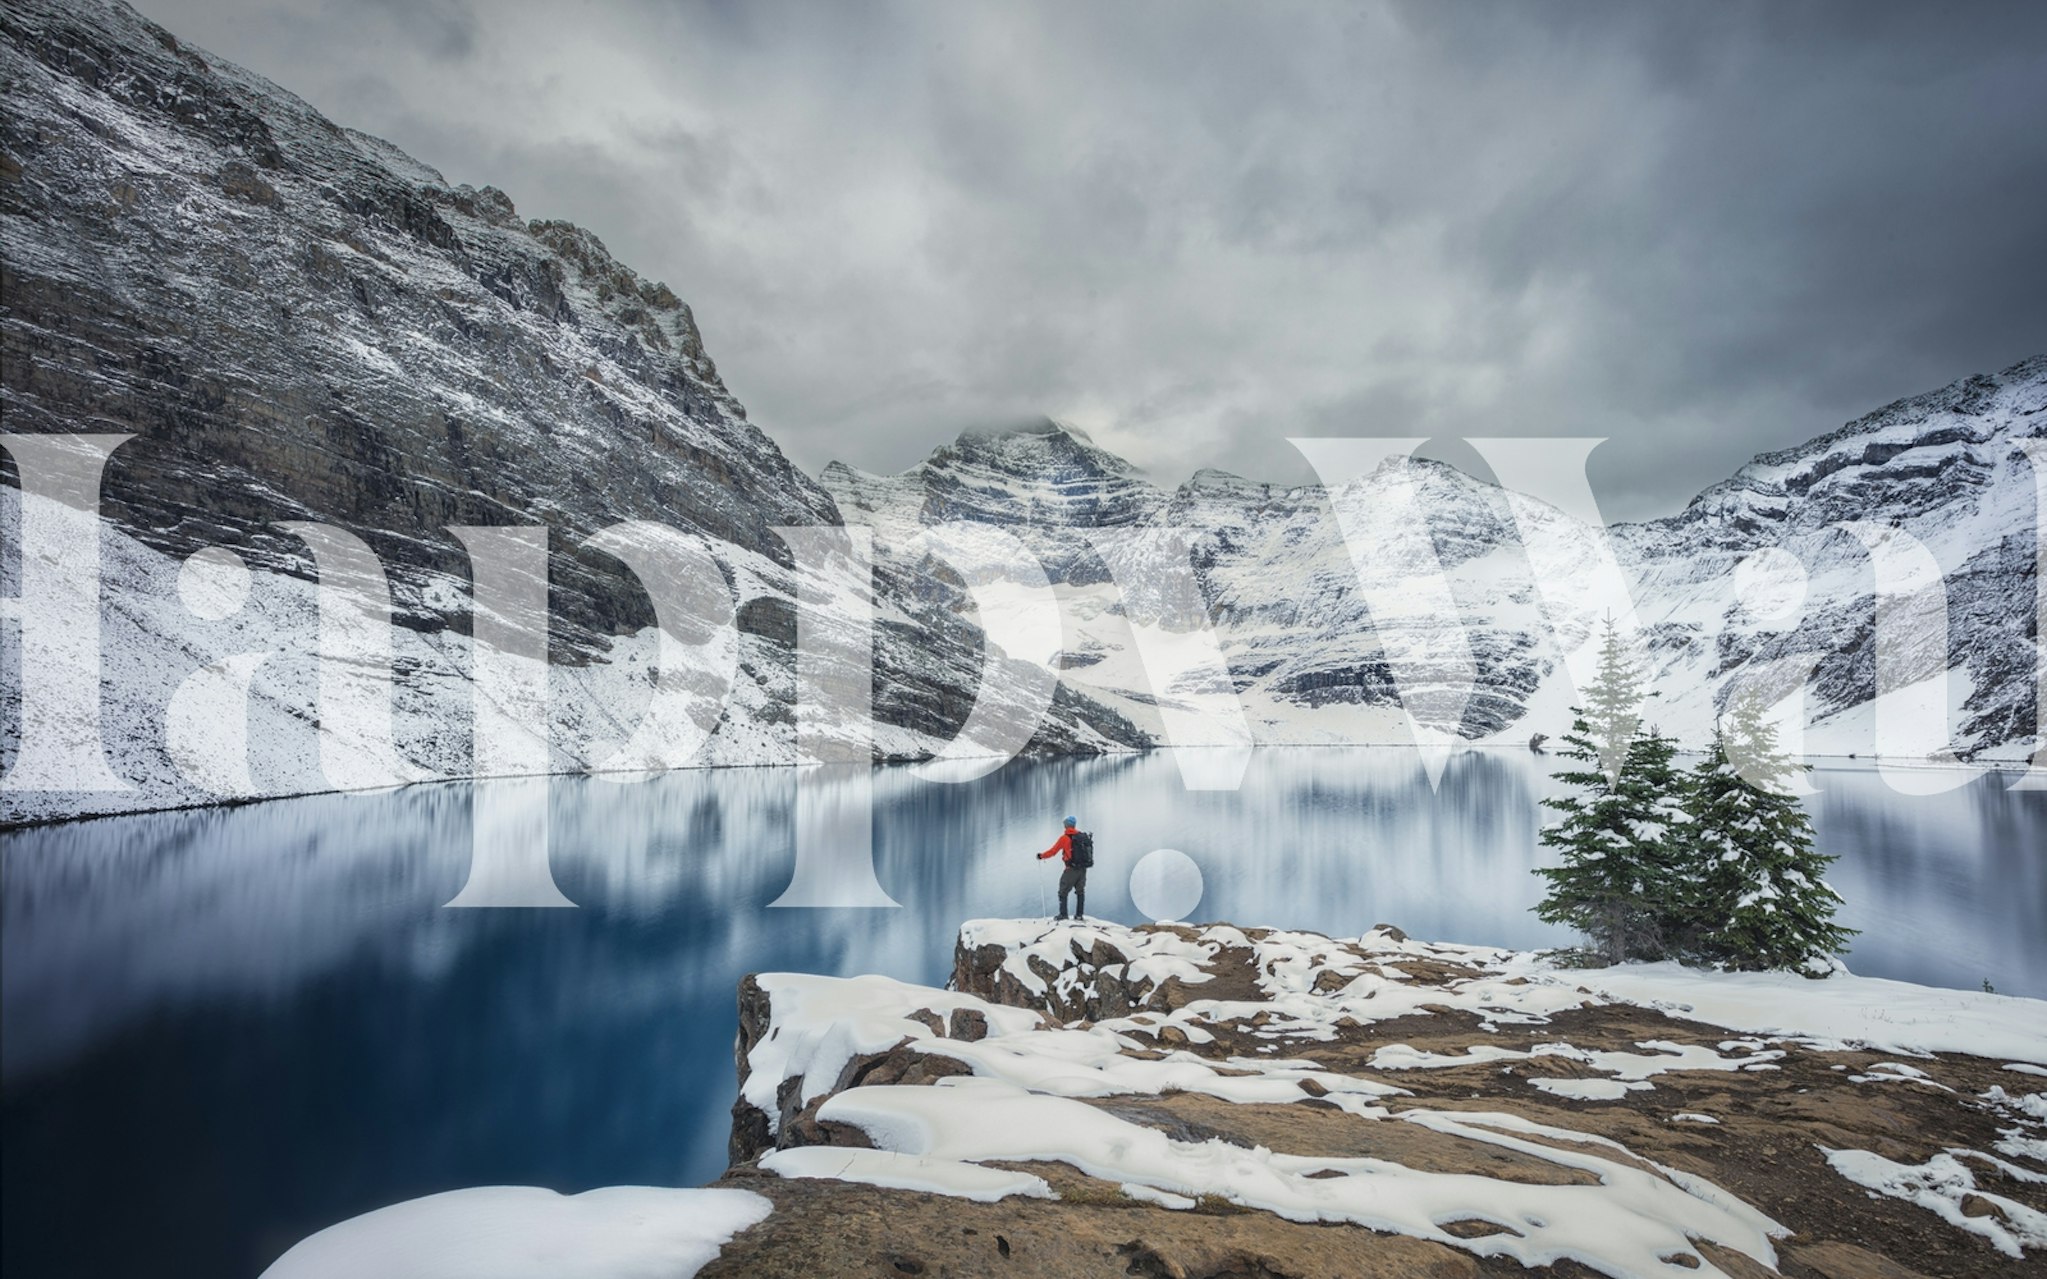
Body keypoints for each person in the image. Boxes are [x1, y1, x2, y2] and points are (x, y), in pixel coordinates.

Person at [1037, 815, 1092, 921]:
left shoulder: (1065, 838)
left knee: (1063, 891)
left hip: (1070, 870)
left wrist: (1041, 856)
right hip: (1082, 869)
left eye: (1064, 824)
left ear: (1067, 825)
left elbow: (1053, 852)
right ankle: (1079, 915)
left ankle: (1063, 915)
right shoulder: (1081, 837)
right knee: (1080, 891)